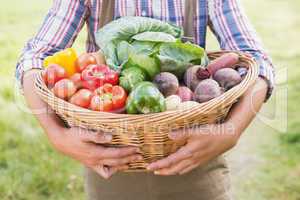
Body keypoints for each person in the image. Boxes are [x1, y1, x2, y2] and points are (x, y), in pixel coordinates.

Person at [16, 0, 275, 199]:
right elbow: (35, 58)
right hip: (112, 166)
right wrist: (56, 135)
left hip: (197, 161)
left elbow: (257, 60)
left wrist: (232, 131)